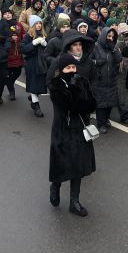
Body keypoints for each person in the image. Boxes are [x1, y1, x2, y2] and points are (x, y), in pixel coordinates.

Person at [47, 53, 96, 217]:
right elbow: (68, 107)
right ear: (61, 70)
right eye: (68, 68)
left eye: (73, 67)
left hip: (80, 130)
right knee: (61, 164)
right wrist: (76, 91)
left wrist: (79, 91)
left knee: (79, 166)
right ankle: (56, 185)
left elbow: (91, 104)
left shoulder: (82, 81)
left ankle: (74, 201)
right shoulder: (55, 85)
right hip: (63, 130)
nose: (72, 70)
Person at [91, 27, 122, 133]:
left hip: (111, 78)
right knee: (101, 103)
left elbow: (119, 59)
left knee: (110, 102)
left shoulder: (113, 47)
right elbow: (89, 61)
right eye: (109, 36)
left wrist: (114, 49)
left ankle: (106, 119)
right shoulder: (95, 46)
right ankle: (101, 123)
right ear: (104, 35)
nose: (111, 38)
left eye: (113, 37)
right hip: (99, 79)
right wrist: (96, 62)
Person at [21, 15, 49, 118]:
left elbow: (48, 49)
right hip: (32, 63)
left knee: (40, 86)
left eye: (40, 23)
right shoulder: (28, 36)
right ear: (32, 25)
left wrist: (46, 44)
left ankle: (33, 98)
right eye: (36, 24)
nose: (38, 25)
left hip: (42, 64)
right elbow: (24, 49)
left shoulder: (44, 34)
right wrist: (34, 43)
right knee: (34, 85)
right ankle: (36, 106)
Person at [2, 9, 25, 101]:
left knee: (17, 71)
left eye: (9, 13)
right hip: (7, 52)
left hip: (18, 51)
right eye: (5, 14)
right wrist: (10, 38)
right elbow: (0, 37)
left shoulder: (18, 24)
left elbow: (23, 34)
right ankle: (12, 91)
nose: (8, 15)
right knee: (7, 73)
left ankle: (9, 83)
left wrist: (22, 40)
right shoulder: (2, 25)